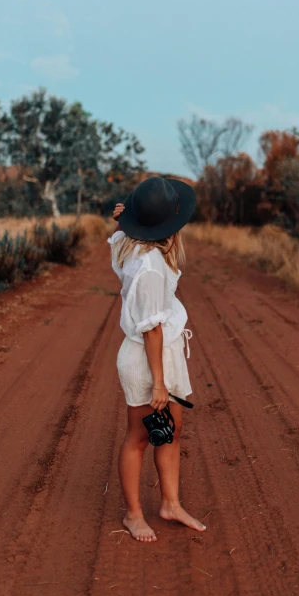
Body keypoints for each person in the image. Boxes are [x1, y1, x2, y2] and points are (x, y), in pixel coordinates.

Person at [108, 175, 207, 542]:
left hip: (164, 352)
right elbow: (151, 330)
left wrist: (123, 220)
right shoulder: (148, 267)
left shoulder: (131, 245)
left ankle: (170, 503)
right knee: (139, 436)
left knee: (170, 432)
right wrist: (160, 382)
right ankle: (134, 514)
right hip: (149, 358)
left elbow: (123, 235)